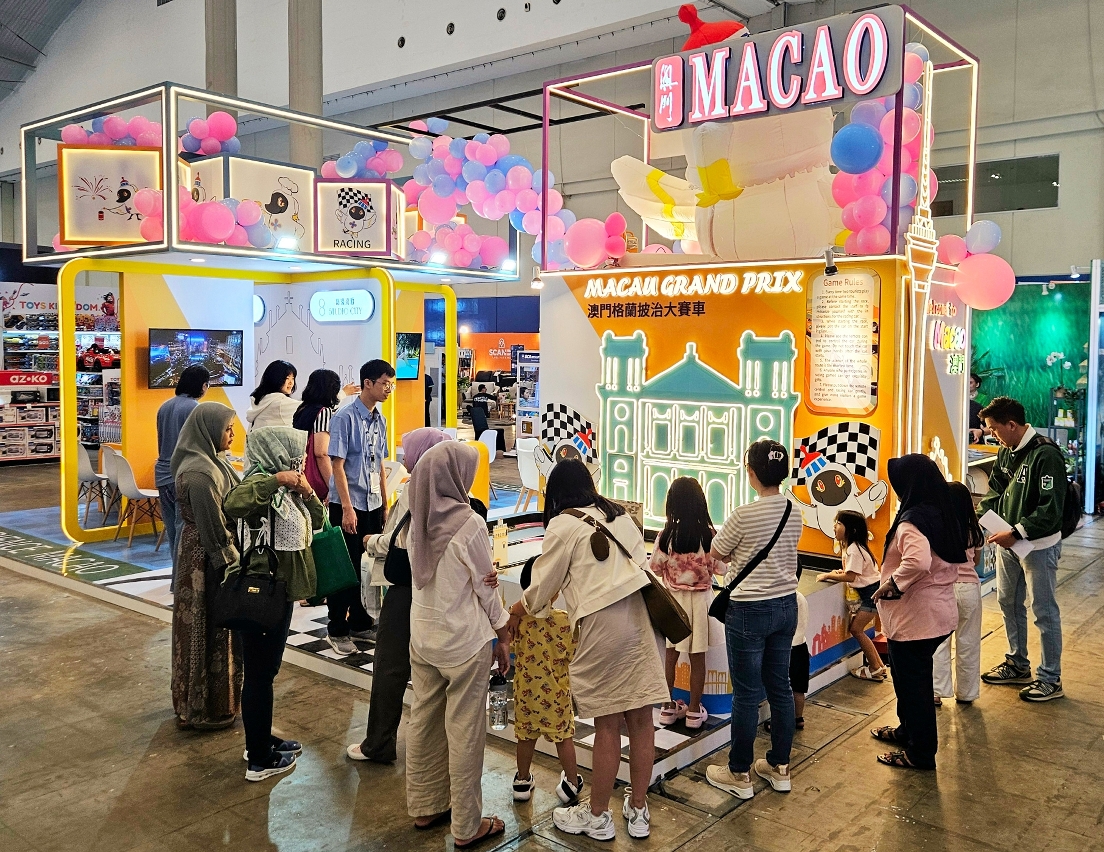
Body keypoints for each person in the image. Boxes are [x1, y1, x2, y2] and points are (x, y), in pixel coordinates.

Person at [507, 458, 667, 841]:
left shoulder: (562, 525)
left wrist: (515, 610)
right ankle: (638, 811)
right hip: (642, 620)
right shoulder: (619, 515)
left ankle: (598, 817)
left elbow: (541, 589)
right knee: (641, 721)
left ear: (555, 494)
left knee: (608, 724)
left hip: (602, 625)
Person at [404, 442, 511, 848]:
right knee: (465, 733)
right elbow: (486, 588)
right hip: (463, 643)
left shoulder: (416, 518)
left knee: (423, 721)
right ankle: (467, 826)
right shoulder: (470, 524)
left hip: (423, 637)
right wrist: (502, 631)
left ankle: (425, 806)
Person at [346, 427, 452, 764]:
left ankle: (378, 743)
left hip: (407, 588)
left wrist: (370, 542)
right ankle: (437, 748)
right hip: (442, 590)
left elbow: (400, 541)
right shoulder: (453, 487)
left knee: (390, 665)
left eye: (410, 450)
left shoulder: (415, 486)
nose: (405, 457)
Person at [224, 427, 324, 781]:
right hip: (261, 593)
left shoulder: (292, 491)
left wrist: (306, 490)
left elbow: (319, 521)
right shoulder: (259, 482)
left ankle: (260, 740)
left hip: (281, 593)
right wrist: (277, 479)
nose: (301, 460)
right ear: (278, 454)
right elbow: (233, 504)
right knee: (260, 674)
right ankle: (259, 759)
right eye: (295, 453)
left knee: (266, 671)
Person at [705, 439, 803, 800]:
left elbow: (716, 552)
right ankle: (780, 767)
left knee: (746, 694)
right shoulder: (794, 510)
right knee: (780, 687)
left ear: (752, 472)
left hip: (748, 609)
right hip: (786, 605)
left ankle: (739, 773)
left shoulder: (743, 514)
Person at [870, 454, 962, 771]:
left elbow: (918, 561)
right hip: (938, 614)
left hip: (915, 620)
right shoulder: (941, 512)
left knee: (915, 689)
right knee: (908, 681)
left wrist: (893, 583)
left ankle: (920, 753)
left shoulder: (912, 520)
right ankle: (906, 731)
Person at [977, 396, 1068, 702]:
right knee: (1008, 601)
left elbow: (1050, 509)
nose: (992, 434)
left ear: (1012, 424)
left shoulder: (1046, 455)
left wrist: (1017, 532)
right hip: (1007, 542)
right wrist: (983, 517)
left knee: (1044, 610)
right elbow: (995, 489)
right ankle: (1017, 663)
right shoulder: (1006, 451)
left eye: (994, 428)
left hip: (1038, 546)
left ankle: (1050, 678)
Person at [169, 402, 242, 731]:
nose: (232, 434)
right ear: (208, 431)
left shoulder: (213, 463)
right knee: (208, 626)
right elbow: (214, 530)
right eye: (227, 429)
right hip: (205, 561)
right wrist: (232, 565)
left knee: (212, 627)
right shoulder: (201, 475)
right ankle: (205, 707)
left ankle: (209, 703)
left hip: (203, 554)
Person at [325, 359, 395, 656]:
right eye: (384, 384)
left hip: (373, 503)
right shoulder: (344, 417)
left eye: (391, 384)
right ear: (367, 383)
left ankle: (360, 622)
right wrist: (347, 508)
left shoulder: (381, 420)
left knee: (369, 566)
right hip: (348, 504)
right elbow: (337, 466)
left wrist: (386, 504)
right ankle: (336, 628)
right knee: (346, 567)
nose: (388, 389)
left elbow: (380, 466)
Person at [650, 476, 723, 730]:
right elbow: (721, 568)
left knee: (670, 657)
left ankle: (667, 707)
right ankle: (693, 711)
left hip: (674, 604)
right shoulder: (709, 535)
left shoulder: (666, 535)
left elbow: (655, 567)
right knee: (697, 659)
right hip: (701, 604)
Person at [510, 555, 582, 805]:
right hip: (556, 695)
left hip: (525, 695)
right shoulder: (564, 621)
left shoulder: (517, 621)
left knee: (525, 738)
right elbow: (572, 654)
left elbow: (512, 648)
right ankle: (571, 782)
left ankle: (522, 780)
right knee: (563, 738)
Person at [155, 364, 209, 591]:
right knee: (183, 528)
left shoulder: (164, 406)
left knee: (172, 529)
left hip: (162, 473)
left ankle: (175, 579)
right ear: (202, 385)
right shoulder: (194, 408)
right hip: (183, 474)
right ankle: (179, 582)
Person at [816, 510, 887, 681]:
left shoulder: (854, 550)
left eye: (839, 523)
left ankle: (875, 667)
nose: (834, 526)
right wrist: (840, 573)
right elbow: (853, 573)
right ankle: (879, 666)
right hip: (871, 592)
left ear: (852, 529)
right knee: (857, 629)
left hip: (871, 594)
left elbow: (851, 577)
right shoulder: (854, 548)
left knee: (856, 629)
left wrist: (828, 575)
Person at [933, 482, 985, 705]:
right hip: (969, 589)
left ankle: (936, 691)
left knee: (939, 642)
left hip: (944, 587)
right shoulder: (975, 529)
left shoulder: (938, 527)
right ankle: (967, 693)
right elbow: (976, 561)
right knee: (969, 642)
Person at [292, 368, 341, 501]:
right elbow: (321, 453)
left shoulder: (301, 409)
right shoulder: (323, 412)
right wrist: (332, 486)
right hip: (316, 477)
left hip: (300, 473)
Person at [765, 590, 809, 733]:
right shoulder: (800, 597)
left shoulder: (781, 599)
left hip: (784, 648)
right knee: (799, 688)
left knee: (781, 689)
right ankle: (798, 718)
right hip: (801, 646)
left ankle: (780, 722)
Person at [247, 360, 299, 430]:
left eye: (292, 378)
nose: (291, 383)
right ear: (275, 379)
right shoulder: (279, 402)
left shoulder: (261, 399)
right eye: (287, 378)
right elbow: (307, 408)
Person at [968, 374, 986, 443]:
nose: (968, 385)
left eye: (970, 382)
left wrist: (981, 431)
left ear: (977, 384)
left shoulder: (981, 401)